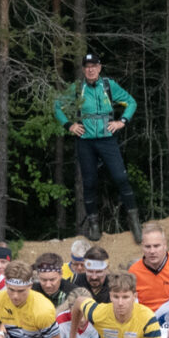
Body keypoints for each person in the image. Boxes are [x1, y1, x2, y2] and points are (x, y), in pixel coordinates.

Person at [55, 54, 139, 236]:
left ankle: (134, 222)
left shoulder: (108, 85)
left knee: (121, 178)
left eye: (94, 66)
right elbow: (57, 106)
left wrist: (122, 121)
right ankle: (94, 227)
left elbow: (131, 102)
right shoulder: (77, 88)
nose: (90, 69)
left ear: (100, 68)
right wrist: (69, 125)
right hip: (85, 141)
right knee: (90, 182)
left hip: (107, 139)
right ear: (83, 69)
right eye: (87, 66)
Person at [130, 225, 169, 312]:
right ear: (142, 247)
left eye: (156, 246)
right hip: (147, 320)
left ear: (165, 245)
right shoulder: (133, 272)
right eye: (148, 247)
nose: (152, 251)